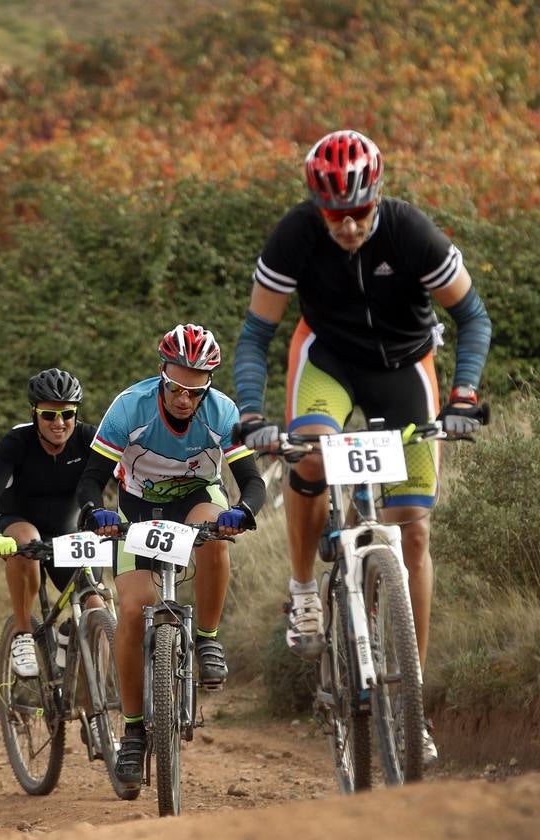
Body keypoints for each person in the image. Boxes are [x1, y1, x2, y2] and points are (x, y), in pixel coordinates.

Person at [233, 130, 492, 766]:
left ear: (376, 198)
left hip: (406, 369)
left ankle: (412, 707)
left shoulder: (411, 232)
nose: (347, 227)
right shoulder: (295, 235)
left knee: (415, 533)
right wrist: (252, 414)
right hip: (326, 362)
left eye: (358, 213)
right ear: (317, 209)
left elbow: (473, 318)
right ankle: (302, 594)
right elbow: (255, 334)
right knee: (312, 453)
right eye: (334, 216)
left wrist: (462, 396)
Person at [77, 323, 266, 786]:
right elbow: (91, 477)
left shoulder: (221, 412)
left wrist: (242, 511)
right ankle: (135, 733)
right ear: (162, 374)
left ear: (208, 388)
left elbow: (254, 483)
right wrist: (92, 511)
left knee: (218, 534)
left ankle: (206, 637)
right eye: (176, 387)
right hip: (136, 507)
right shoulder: (129, 407)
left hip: (195, 499)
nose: (185, 400)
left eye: (195, 391)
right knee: (130, 609)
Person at [0, 368, 96, 678]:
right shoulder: (17, 441)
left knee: (96, 608)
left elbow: (123, 480)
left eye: (67, 414)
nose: (59, 423)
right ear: (35, 414)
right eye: (48, 415)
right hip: (20, 522)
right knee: (26, 541)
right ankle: (23, 633)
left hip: (66, 532)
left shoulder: (86, 439)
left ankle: (96, 708)